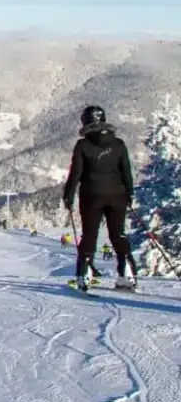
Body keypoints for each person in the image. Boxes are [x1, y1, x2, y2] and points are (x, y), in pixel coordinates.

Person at [62, 105, 138, 291]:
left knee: (89, 234)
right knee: (118, 234)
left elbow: (76, 174)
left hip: (91, 195)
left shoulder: (83, 145)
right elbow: (126, 171)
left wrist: (68, 196)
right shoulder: (118, 144)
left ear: (85, 121)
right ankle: (126, 272)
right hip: (117, 195)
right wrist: (129, 194)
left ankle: (85, 275)